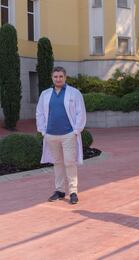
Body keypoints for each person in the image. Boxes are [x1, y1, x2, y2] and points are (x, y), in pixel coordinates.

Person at [36, 66, 86, 204]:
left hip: (68, 134)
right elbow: (39, 112)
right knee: (57, 163)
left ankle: (73, 192)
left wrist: (76, 130)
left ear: (65, 77)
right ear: (52, 78)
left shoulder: (74, 93)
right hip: (51, 135)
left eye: (60, 76)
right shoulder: (45, 94)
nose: (58, 79)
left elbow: (80, 112)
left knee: (69, 163)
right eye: (55, 77)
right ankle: (59, 190)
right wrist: (43, 131)